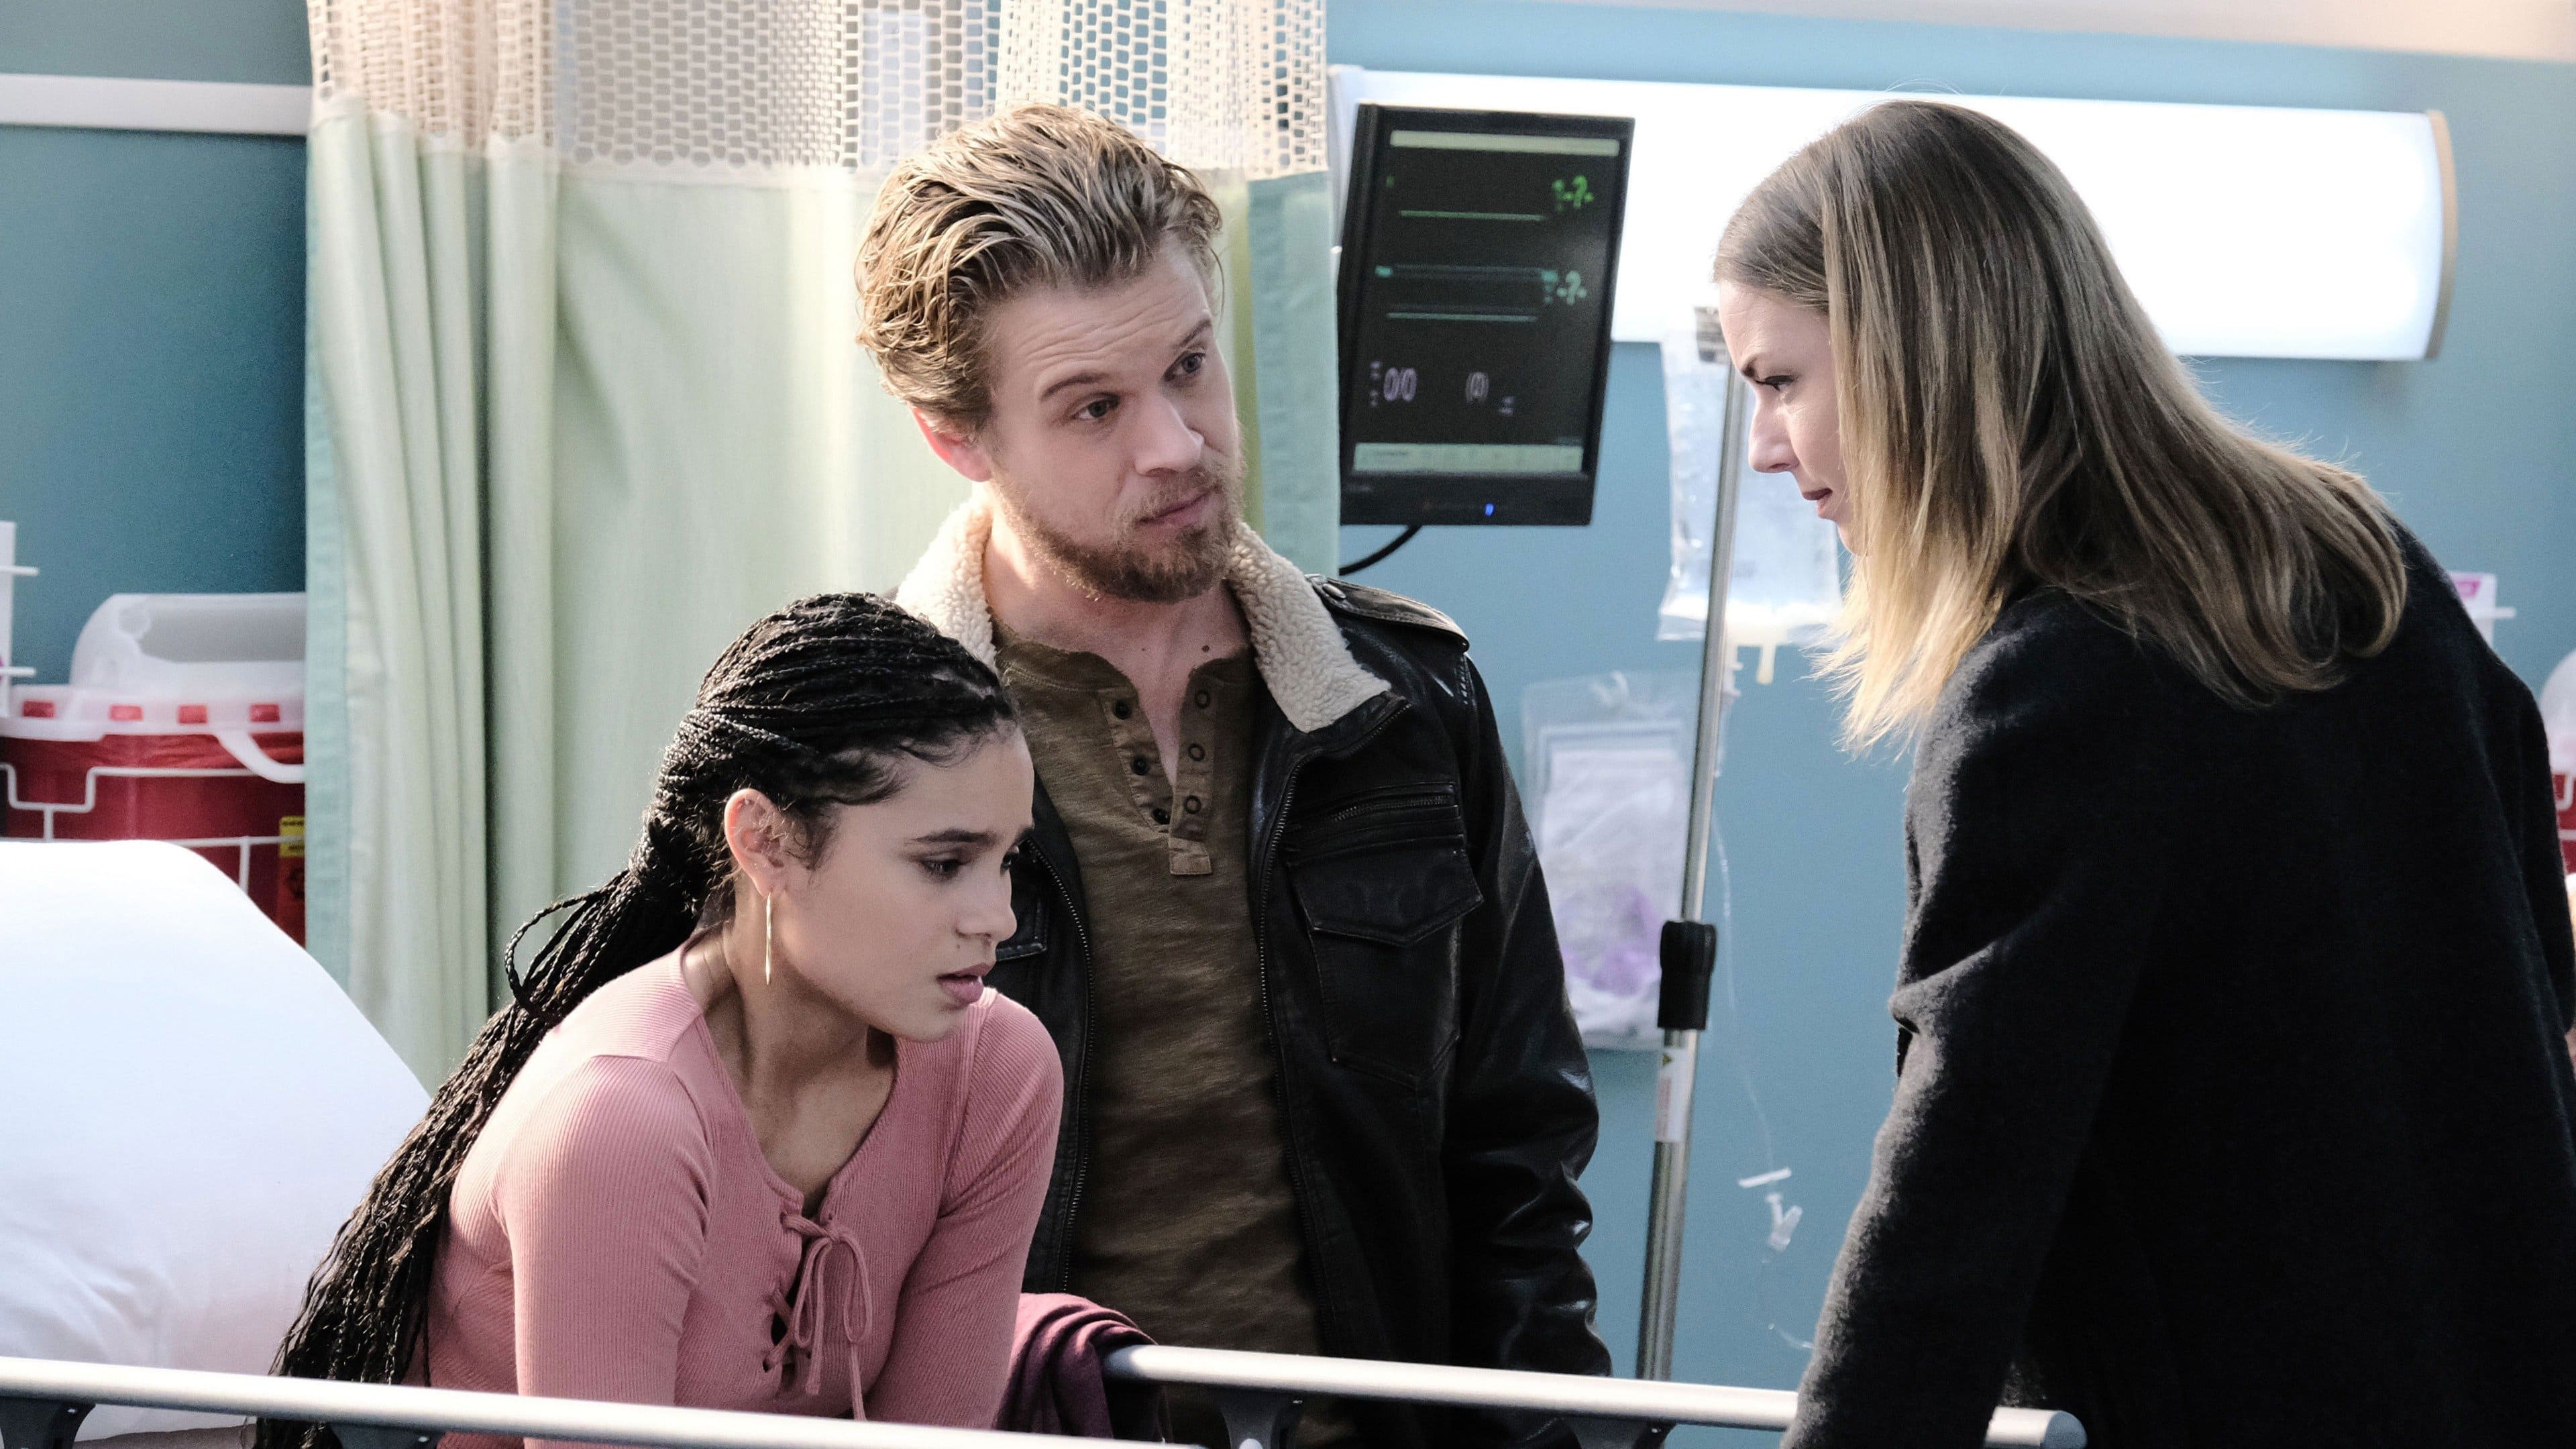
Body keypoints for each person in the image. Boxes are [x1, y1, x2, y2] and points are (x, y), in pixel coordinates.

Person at [1709, 100, 2576, 1449]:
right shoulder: (2364, 569)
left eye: (1779, 383)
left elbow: (1963, 1179)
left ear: (1909, 353)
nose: (1766, 447)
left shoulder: (2052, 692)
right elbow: (2535, 984)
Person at [856, 104, 1611, 1449]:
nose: (1177, 444)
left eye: (1191, 368)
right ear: (956, 437)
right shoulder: (853, 745)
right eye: (1095, 407)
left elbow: (1519, 1159)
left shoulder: (1408, 705)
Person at [262, 594, 1063, 1448]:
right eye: (943, 863)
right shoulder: (620, 1119)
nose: (999, 918)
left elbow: (942, 1437)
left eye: (1006, 859)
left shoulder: (998, 1072)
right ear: (766, 842)